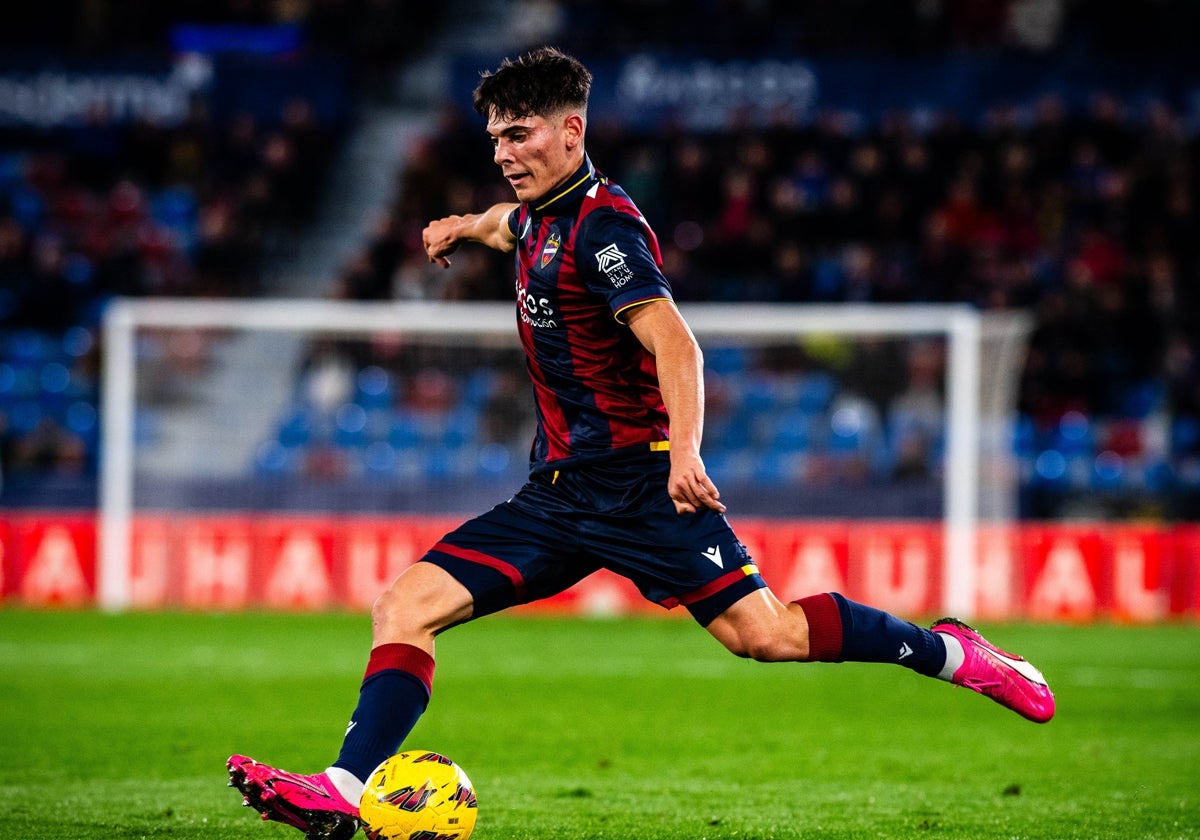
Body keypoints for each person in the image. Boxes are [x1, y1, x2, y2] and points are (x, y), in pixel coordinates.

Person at [227, 46, 1055, 840]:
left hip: (641, 487)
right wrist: (458, 226)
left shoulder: (606, 231)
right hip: (558, 496)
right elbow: (505, 225)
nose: (506, 153)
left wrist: (687, 454)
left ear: (571, 131)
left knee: (765, 637)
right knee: (403, 606)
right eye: (496, 139)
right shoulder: (537, 221)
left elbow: (678, 345)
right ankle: (340, 791)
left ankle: (951, 652)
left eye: (521, 135)